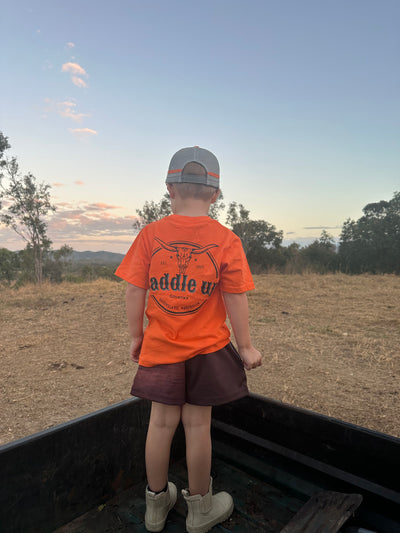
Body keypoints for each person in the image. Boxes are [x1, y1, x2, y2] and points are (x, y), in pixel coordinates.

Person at [115, 146, 262, 533]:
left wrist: (136, 336)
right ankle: (200, 510)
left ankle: (155, 506)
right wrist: (245, 346)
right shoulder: (226, 240)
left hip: (160, 348)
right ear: (215, 194)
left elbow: (134, 291)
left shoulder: (150, 235)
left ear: (169, 188)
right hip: (208, 351)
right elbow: (235, 296)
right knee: (199, 428)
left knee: (160, 426)